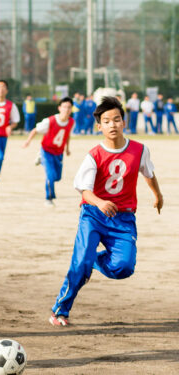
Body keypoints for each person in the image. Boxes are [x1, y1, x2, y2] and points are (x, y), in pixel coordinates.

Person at [49, 96, 163, 326]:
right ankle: (60, 310)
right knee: (79, 264)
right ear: (99, 126)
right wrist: (100, 202)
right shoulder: (94, 156)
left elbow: (149, 174)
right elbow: (83, 190)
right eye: (107, 121)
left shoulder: (140, 150)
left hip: (123, 219)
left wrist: (158, 196)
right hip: (93, 215)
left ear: (124, 122)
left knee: (123, 267)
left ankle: (93, 262)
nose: (113, 125)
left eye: (117, 119)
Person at [22, 97, 75, 206]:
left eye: (69, 107)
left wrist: (67, 149)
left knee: (57, 177)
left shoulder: (71, 122)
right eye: (64, 107)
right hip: (47, 150)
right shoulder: (49, 121)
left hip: (58, 153)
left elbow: (67, 135)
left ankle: (40, 159)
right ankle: (49, 198)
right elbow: (35, 130)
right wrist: (28, 142)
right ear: (59, 108)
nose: (66, 109)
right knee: (50, 176)